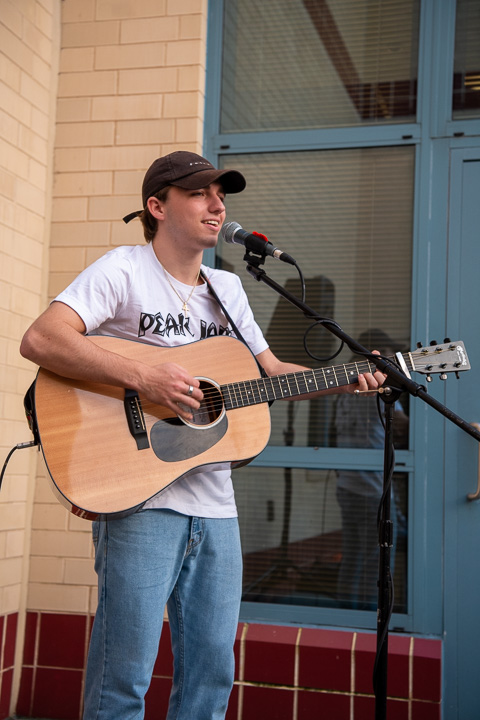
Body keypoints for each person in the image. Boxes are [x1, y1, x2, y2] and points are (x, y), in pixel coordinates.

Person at [20, 151, 386, 720]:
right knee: (125, 679)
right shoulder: (123, 269)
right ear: (157, 206)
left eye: (222, 195)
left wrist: (345, 380)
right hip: (140, 499)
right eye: (199, 193)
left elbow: (264, 375)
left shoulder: (226, 289)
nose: (217, 206)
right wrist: (144, 375)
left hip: (215, 505)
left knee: (211, 677)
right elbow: (42, 339)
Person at [331, 329, 409, 610]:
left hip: (347, 486)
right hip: (371, 488)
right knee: (374, 562)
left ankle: (346, 611)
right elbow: (402, 426)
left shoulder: (344, 391)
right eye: (387, 357)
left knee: (353, 557)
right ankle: (366, 615)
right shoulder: (377, 388)